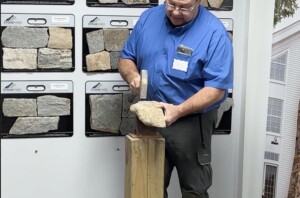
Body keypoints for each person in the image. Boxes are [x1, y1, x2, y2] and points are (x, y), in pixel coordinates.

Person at [118, 0, 233, 197]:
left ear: (198, 2)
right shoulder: (149, 18)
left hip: (190, 122)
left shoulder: (215, 33)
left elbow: (217, 89)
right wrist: (132, 76)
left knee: (193, 189)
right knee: (147, 185)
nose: (176, 12)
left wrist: (178, 111)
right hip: (150, 119)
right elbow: (126, 58)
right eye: (171, 4)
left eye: (184, 7)